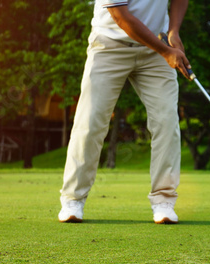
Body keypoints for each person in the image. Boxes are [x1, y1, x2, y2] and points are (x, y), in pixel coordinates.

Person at [59, 0, 191, 224]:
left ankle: (164, 201)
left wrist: (174, 31)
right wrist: (166, 51)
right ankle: (73, 199)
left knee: (167, 122)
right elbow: (120, 16)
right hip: (109, 45)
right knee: (90, 122)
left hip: (157, 50)